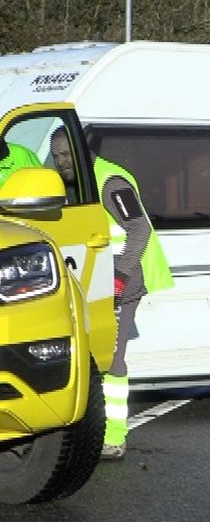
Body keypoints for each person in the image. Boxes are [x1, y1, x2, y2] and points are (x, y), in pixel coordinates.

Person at [51, 132, 173, 461]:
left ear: (81, 151)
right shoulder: (73, 182)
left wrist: (119, 278)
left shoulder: (110, 181)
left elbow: (139, 229)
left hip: (122, 285)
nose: (61, 161)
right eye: (56, 155)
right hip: (94, 285)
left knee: (112, 360)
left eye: (65, 154)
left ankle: (114, 438)